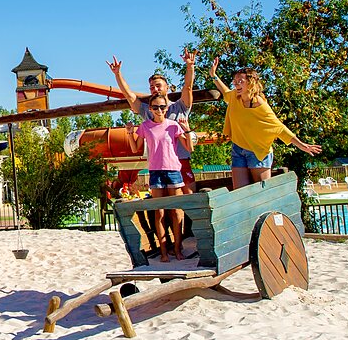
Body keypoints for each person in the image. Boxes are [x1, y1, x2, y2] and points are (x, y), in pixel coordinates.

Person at [208, 57, 322, 188]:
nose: (236, 84)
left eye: (240, 81)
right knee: (240, 192)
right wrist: (213, 75)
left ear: (250, 83)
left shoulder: (259, 104)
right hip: (238, 148)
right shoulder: (235, 97)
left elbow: (279, 127)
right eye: (235, 81)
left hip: (258, 151)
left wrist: (302, 145)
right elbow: (225, 92)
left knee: (262, 191)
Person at [108, 50, 197, 192]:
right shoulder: (148, 112)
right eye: (151, 87)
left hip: (181, 160)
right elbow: (129, 95)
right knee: (164, 206)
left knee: (190, 197)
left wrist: (189, 66)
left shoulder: (179, 107)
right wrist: (118, 74)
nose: (155, 89)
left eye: (158, 86)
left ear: (167, 87)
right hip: (159, 166)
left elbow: (188, 87)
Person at [125, 94, 195, 261]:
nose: (159, 110)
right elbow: (136, 148)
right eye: (155, 107)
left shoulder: (173, 125)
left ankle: (178, 250)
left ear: (167, 108)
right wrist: (129, 133)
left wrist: (187, 129)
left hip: (173, 171)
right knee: (160, 213)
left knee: (176, 212)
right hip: (155, 172)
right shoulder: (145, 126)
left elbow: (189, 148)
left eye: (162, 107)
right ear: (150, 109)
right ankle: (164, 252)